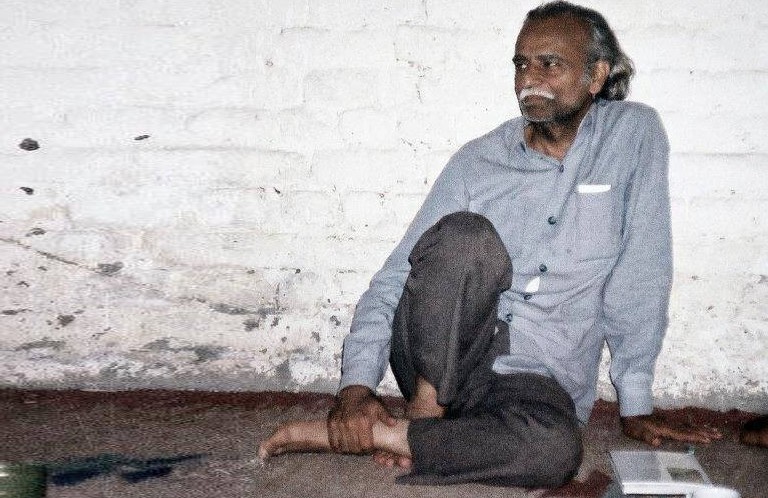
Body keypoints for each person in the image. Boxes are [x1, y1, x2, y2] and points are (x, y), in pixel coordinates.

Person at [259, 1, 722, 487]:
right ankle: (426, 413)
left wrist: (636, 401)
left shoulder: (632, 135)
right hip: (437, 356)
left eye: (550, 63)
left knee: (554, 451)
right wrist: (355, 387)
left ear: (597, 75)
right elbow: (399, 275)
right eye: (521, 64)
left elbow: (642, 271)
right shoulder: (478, 161)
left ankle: (397, 437)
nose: (529, 79)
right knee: (467, 237)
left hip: (537, 374)